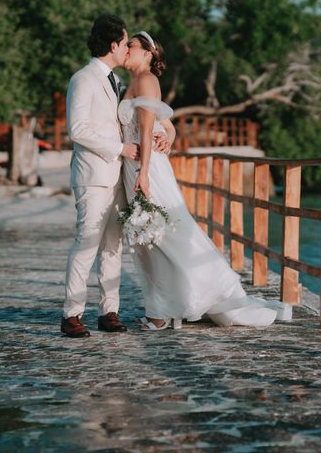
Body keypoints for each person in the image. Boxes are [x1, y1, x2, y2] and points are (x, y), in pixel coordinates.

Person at [119, 31, 279, 331]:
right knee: (153, 237)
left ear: (148, 53)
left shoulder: (145, 81)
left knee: (164, 234)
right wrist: (171, 136)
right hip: (137, 165)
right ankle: (162, 309)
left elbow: (144, 128)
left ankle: (173, 307)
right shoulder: (135, 81)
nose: (127, 49)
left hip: (146, 168)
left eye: (132, 46)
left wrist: (143, 172)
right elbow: (164, 123)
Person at [61, 13, 141, 338]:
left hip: (118, 177)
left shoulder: (116, 82)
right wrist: (120, 149)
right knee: (87, 242)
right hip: (94, 175)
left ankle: (109, 311)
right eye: (124, 43)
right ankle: (71, 314)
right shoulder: (82, 79)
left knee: (113, 245)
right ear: (113, 44)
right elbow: (77, 129)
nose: (127, 49)